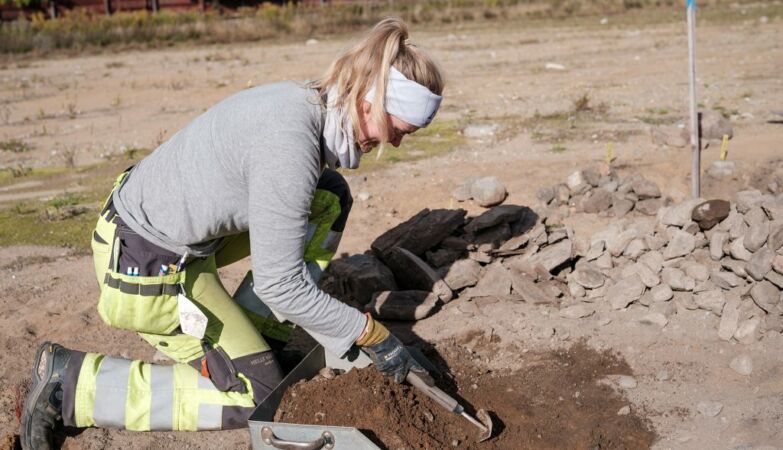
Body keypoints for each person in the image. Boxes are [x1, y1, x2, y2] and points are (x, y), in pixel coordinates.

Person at [19, 17, 444, 449]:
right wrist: (369, 332)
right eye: (398, 131)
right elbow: (281, 284)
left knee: (328, 197)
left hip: (180, 244)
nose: (395, 144)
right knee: (255, 394)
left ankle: (261, 341)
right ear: (371, 101)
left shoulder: (308, 107)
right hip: (145, 265)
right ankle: (70, 386)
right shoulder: (289, 142)